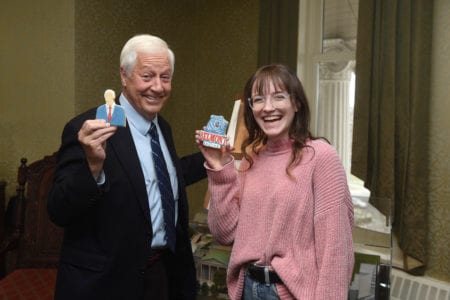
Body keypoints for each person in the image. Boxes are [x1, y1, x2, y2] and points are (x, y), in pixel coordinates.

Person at [47, 34, 206, 300]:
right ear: (124, 75)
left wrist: (211, 159)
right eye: (147, 76)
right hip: (105, 284)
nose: (157, 87)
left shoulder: (162, 127)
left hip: (160, 275)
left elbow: (162, 178)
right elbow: (58, 210)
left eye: (165, 77)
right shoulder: (87, 128)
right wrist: (93, 167)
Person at [195, 64, 354, 299]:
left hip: (291, 294)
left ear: (296, 103)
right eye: (258, 100)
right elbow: (224, 233)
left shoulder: (320, 156)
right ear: (251, 108)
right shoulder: (252, 160)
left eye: (278, 97)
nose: (268, 108)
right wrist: (219, 169)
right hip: (247, 288)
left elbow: (336, 250)